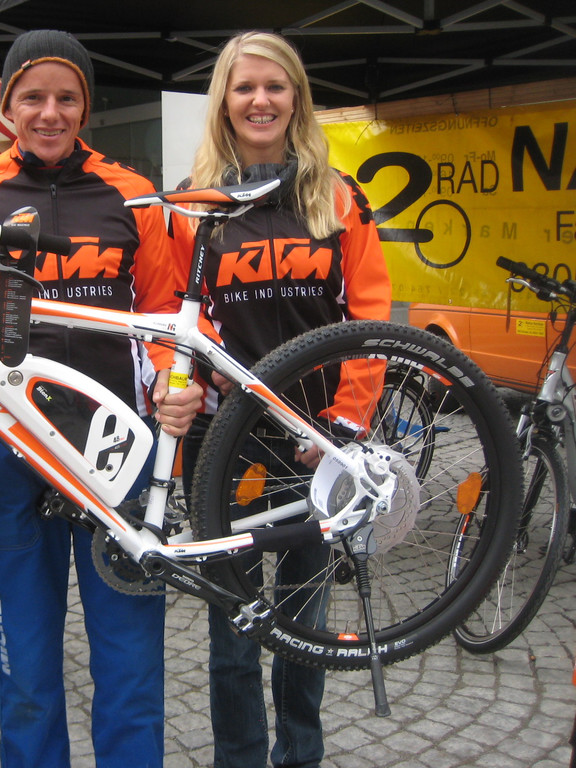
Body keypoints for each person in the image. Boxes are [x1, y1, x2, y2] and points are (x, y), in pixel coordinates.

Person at [0, 29, 203, 767]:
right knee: (27, 672)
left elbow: (163, 312)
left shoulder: (132, 193)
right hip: (12, 447)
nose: (49, 113)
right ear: (9, 106)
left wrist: (178, 385)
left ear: (85, 107)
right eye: (33, 97)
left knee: (130, 669)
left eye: (66, 98)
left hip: (117, 448)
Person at [171, 31, 392, 768]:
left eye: (275, 86)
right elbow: (177, 314)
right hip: (224, 443)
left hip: (318, 442)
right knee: (233, 628)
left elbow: (368, 318)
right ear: (224, 102)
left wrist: (347, 420)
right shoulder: (194, 202)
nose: (260, 100)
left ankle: (301, 754)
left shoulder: (338, 195)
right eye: (244, 88)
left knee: (305, 624)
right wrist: (203, 374)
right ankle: (238, 757)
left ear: (297, 97)